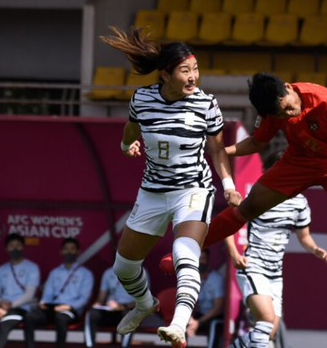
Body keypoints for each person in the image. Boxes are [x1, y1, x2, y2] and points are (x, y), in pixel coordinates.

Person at [100, 26, 241, 348]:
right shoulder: (143, 98)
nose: (193, 77)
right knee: (123, 267)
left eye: (195, 69)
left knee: (184, 254)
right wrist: (126, 146)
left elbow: (217, 149)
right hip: (152, 191)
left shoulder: (206, 104)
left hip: (192, 190)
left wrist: (229, 185)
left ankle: (178, 325)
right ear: (165, 74)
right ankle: (146, 304)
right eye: (185, 71)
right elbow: (131, 127)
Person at [162, 73, 327, 281]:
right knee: (248, 207)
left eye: (289, 107)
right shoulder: (270, 112)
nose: (289, 114)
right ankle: (184, 252)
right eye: (282, 114)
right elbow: (256, 143)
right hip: (298, 161)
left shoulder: (324, 99)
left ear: (288, 88)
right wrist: (223, 151)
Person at [224, 151, 327, 348]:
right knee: (265, 322)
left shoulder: (299, 202)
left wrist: (315, 249)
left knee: (269, 332)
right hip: (253, 265)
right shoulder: (256, 195)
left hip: (275, 273)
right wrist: (234, 254)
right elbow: (228, 224)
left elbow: (304, 236)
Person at [23, 238, 93, 348]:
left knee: (60, 318)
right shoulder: (55, 272)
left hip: (71, 311)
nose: (69, 252)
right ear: (61, 252)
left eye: (72, 249)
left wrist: (69, 307)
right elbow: (47, 294)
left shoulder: (86, 274)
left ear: (78, 252)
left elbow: (84, 298)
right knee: (29, 316)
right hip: (53, 308)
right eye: (66, 249)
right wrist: (44, 303)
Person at [84, 267, 150, 348]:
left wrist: (123, 306)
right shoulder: (108, 272)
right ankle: (89, 345)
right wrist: (97, 304)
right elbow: (101, 298)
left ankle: (125, 345)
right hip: (110, 310)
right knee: (91, 313)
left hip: (129, 310)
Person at [185, 249, 224, 339]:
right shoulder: (191, 277)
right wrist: (190, 319)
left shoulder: (216, 279)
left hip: (213, 316)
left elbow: (218, 308)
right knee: (182, 325)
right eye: (198, 259)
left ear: (207, 260)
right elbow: (188, 301)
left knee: (213, 325)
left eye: (203, 259)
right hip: (200, 314)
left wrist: (198, 322)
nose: (200, 262)